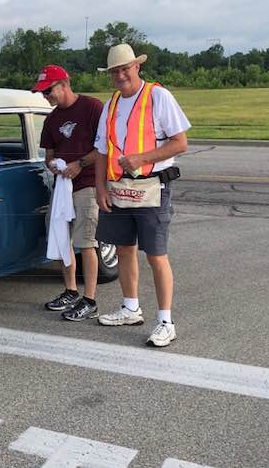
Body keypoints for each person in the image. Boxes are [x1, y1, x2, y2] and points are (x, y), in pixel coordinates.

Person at [93, 44, 191, 347]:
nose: (121, 75)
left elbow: (180, 143)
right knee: (123, 248)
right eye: (115, 71)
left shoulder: (158, 97)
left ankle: (165, 321)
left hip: (151, 187)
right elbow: (101, 151)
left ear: (137, 67)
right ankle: (131, 307)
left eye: (125, 68)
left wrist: (141, 158)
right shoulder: (110, 105)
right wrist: (99, 188)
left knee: (156, 255)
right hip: (119, 188)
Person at [33, 64, 104, 321]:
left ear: (63, 85)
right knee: (61, 238)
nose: (46, 96)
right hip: (63, 187)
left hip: (87, 184)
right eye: (42, 93)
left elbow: (105, 148)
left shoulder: (92, 108)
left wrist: (80, 164)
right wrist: (52, 165)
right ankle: (71, 290)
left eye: (47, 90)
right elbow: (49, 154)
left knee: (86, 242)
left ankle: (90, 299)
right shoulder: (51, 119)